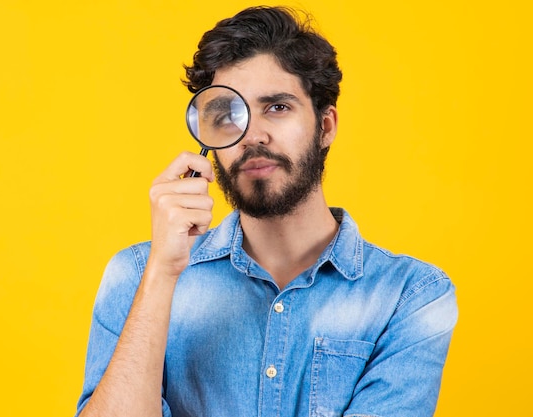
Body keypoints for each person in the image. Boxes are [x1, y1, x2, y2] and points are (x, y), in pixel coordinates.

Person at [75, 6, 458, 417]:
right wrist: (162, 273)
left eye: (277, 107)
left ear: (325, 127)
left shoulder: (410, 295)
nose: (252, 136)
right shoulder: (137, 276)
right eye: (226, 115)